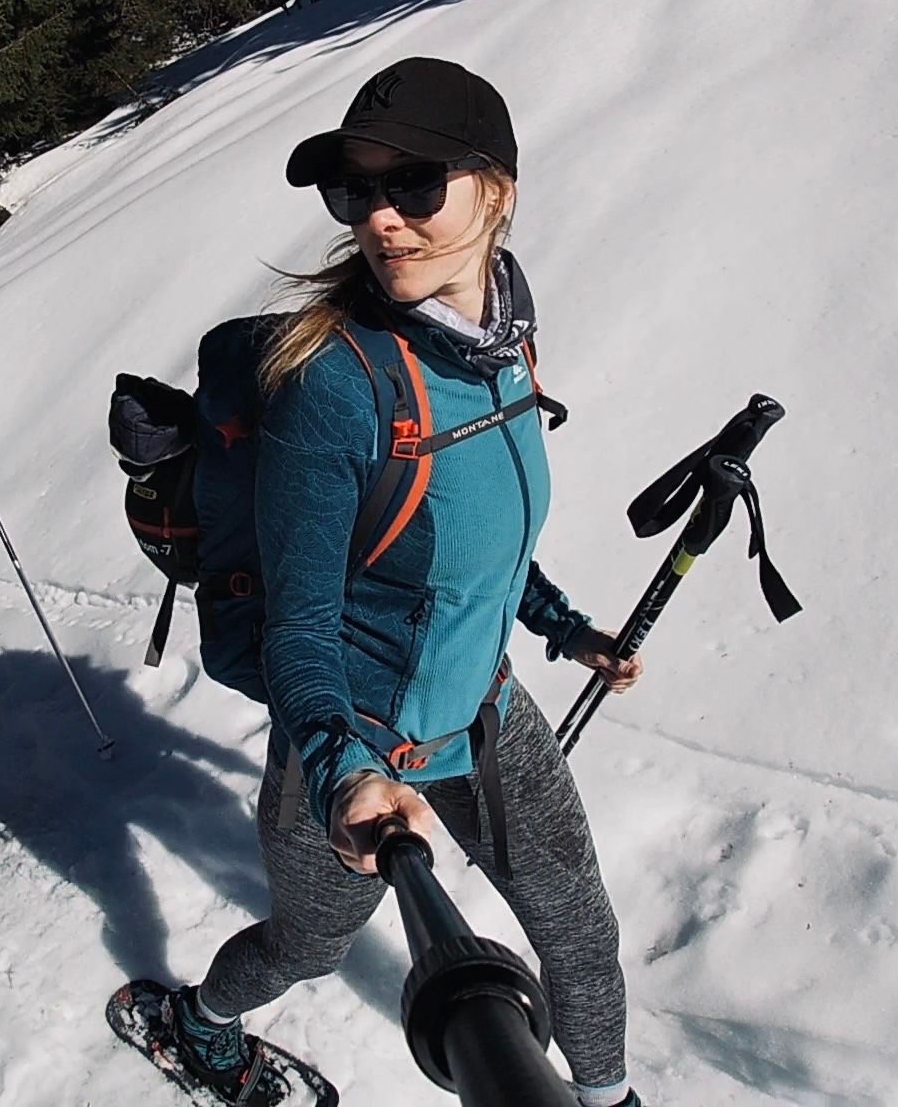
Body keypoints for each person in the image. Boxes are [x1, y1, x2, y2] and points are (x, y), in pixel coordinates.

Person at [167, 60, 645, 1107]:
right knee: (308, 947)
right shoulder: (333, 383)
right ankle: (200, 1023)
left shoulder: (504, 342)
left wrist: (568, 630)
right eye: (356, 192)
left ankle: (608, 1099)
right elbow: (299, 625)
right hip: (354, 743)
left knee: (578, 923)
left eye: (414, 184)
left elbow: (477, 543)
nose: (380, 219)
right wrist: (343, 771)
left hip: (482, 706)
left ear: (497, 190)